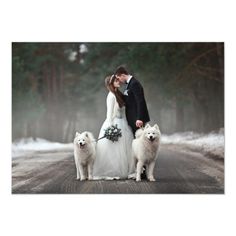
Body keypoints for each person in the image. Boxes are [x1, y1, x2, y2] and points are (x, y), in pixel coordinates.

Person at [93, 75, 135, 180]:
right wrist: (110, 128)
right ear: (111, 83)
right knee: (115, 150)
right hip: (114, 123)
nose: (118, 82)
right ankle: (114, 171)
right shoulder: (111, 96)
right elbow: (109, 113)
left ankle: (128, 170)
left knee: (126, 148)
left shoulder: (118, 94)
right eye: (116, 81)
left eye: (118, 80)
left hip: (123, 123)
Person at [114, 66, 150, 179]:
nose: (119, 81)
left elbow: (140, 101)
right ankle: (141, 171)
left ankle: (143, 173)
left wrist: (139, 118)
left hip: (137, 120)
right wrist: (115, 91)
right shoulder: (129, 85)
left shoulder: (134, 83)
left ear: (123, 75)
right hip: (133, 120)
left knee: (142, 146)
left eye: (119, 78)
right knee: (139, 146)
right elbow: (127, 100)